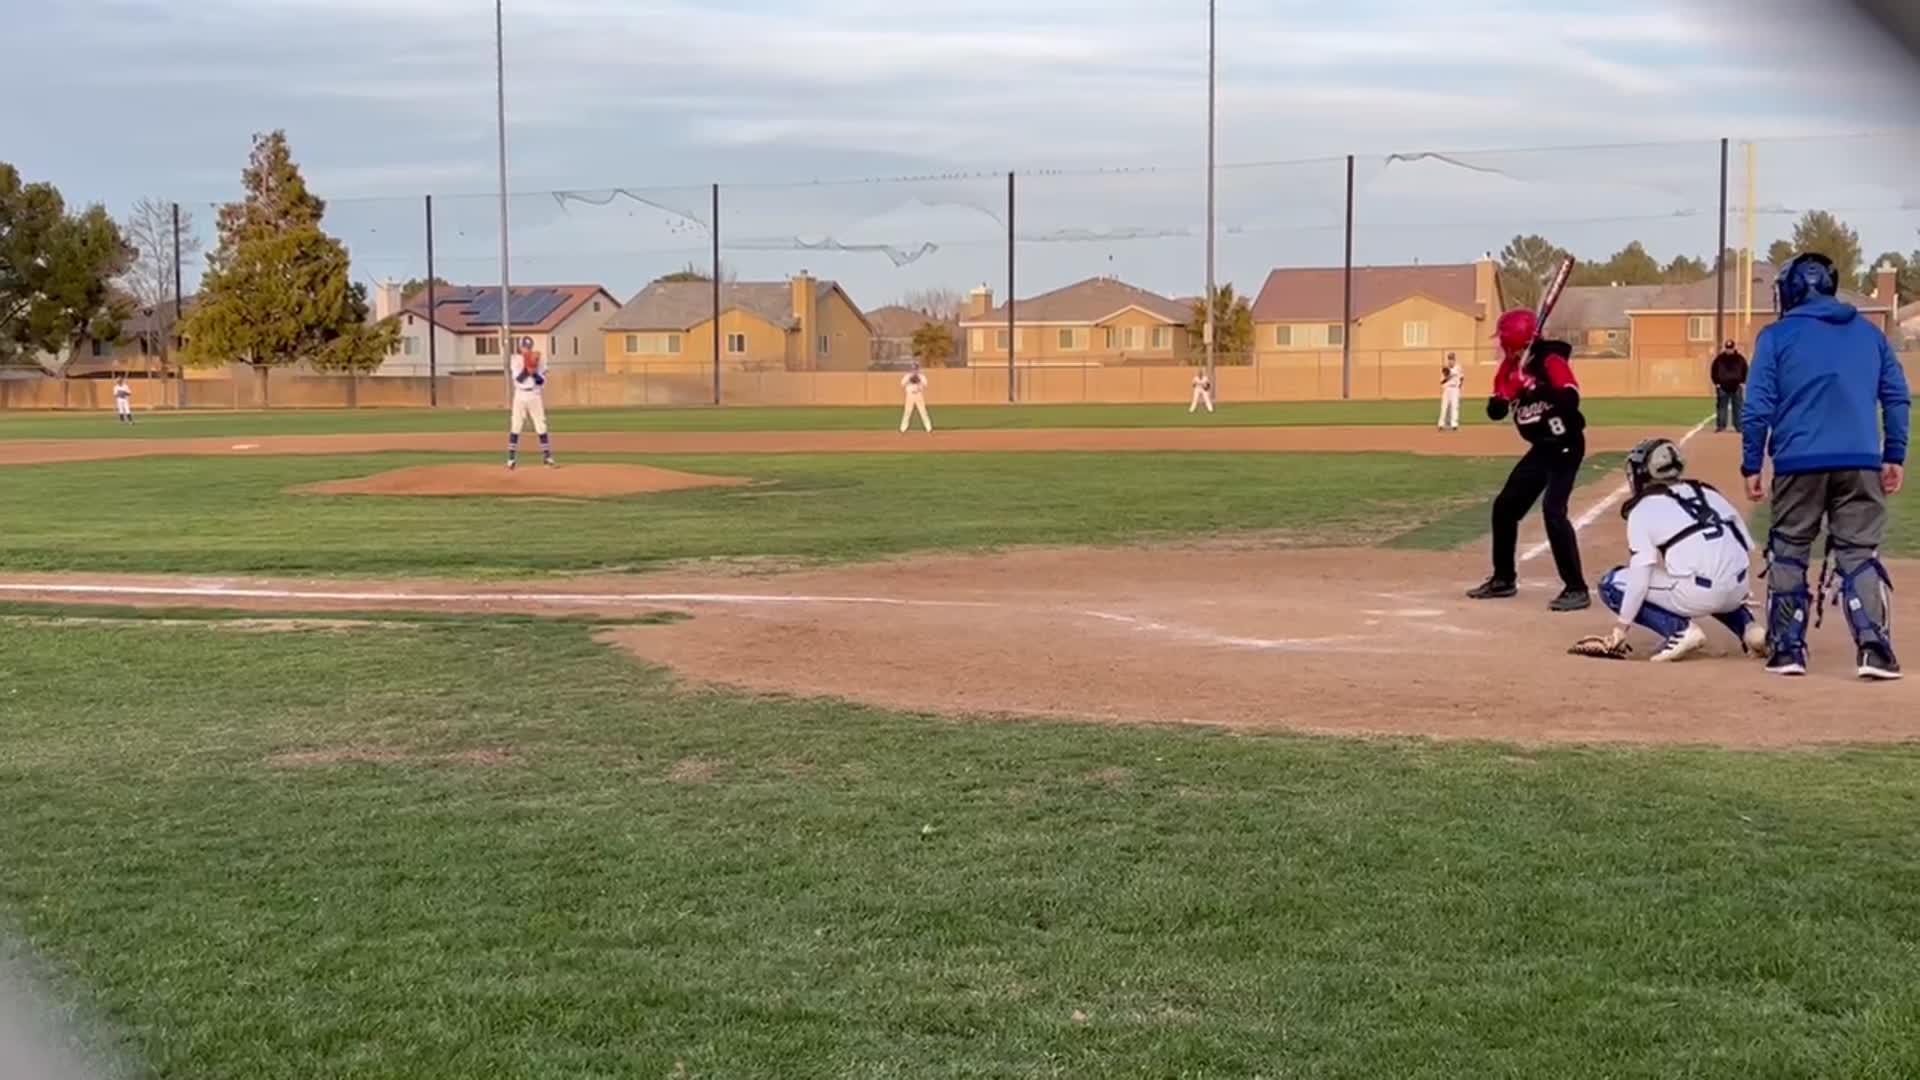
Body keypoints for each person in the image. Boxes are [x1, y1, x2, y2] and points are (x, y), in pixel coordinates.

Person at [1742, 251, 1910, 679]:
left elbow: (1757, 407)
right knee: (1858, 552)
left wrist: (1751, 465)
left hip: (1800, 460)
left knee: (1790, 550)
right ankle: (1875, 649)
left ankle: (1788, 649)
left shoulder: (1776, 336)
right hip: (1860, 459)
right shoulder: (1870, 335)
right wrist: (1894, 454)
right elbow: (1895, 396)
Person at [1577, 438, 1767, 663]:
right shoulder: (1708, 492)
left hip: (1700, 593)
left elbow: (1640, 574)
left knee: (1612, 584)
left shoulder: (1643, 509)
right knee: (1713, 575)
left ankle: (1680, 631)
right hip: (1739, 588)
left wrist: (1621, 628)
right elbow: (1745, 543)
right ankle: (1750, 629)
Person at [1466, 308, 1590, 612]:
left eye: (1503, 339)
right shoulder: (1509, 367)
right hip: (1541, 449)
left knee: (1553, 511)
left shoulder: (1550, 360)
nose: (1500, 346)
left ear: (1515, 339)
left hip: (1565, 446)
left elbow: (1571, 399)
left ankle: (1576, 588)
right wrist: (1504, 395)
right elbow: (1494, 413)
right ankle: (1503, 579)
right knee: (1505, 508)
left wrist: (1534, 386)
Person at [508, 340, 554, 469]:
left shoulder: (540, 361)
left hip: (534, 394)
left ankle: (547, 457)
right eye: (524, 347)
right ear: (520, 348)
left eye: (528, 347)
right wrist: (529, 368)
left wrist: (534, 370)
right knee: (516, 425)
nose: (526, 349)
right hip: (519, 395)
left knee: (541, 425)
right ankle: (511, 459)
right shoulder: (515, 360)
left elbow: (540, 381)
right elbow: (519, 379)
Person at [1710, 339, 1748, 434]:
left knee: (1738, 407)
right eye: (1727, 348)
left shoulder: (1740, 359)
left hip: (1737, 387)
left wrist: (1743, 382)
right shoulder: (1719, 359)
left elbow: (1745, 370)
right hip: (1722, 387)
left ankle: (1739, 426)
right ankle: (1721, 426)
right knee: (1721, 407)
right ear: (1725, 348)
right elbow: (1713, 371)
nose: (1729, 350)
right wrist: (1716, 383)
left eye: (1730, 348)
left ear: (1734, 348)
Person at [900, 363, 932, 434]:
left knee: (923, 411)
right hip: (910, 395)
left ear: (918, 369)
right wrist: (909, 379)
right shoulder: (907, 376)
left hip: (919, 394)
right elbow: (902, 384)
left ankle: (929, 428)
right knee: (907, 412)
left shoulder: (921, 376)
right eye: (913, 369)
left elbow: (926, 384)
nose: (914, 370)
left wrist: (919, 379)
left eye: (915, 369)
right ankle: (903, 429)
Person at [1437, 352, 1463, 431]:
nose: (1450, 361)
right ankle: (1441, 425)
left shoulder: (1458, 367)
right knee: (1444, 407)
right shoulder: (1444, 369)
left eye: (1452, 359)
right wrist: (1447, 377)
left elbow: (1461, 377)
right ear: (1448, 360)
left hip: (1455, 389)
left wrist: (1459, 386)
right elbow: (1441, 381)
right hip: (1447, 389)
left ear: (1454, 360)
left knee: (1454, 407)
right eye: (1449, 359)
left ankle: (1454, 425)